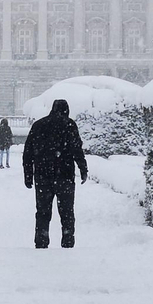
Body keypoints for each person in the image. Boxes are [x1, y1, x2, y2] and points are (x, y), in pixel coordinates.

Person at [22, 98, 89, 249]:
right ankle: (67, 240)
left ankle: (41, 240)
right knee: (67, 212)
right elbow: (77, 150)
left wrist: (28, 174)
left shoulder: (39, 125)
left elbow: (28, 152)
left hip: (43, 176)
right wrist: (83, 169)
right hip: (65, 175)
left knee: (43, 212)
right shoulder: (70, 125)